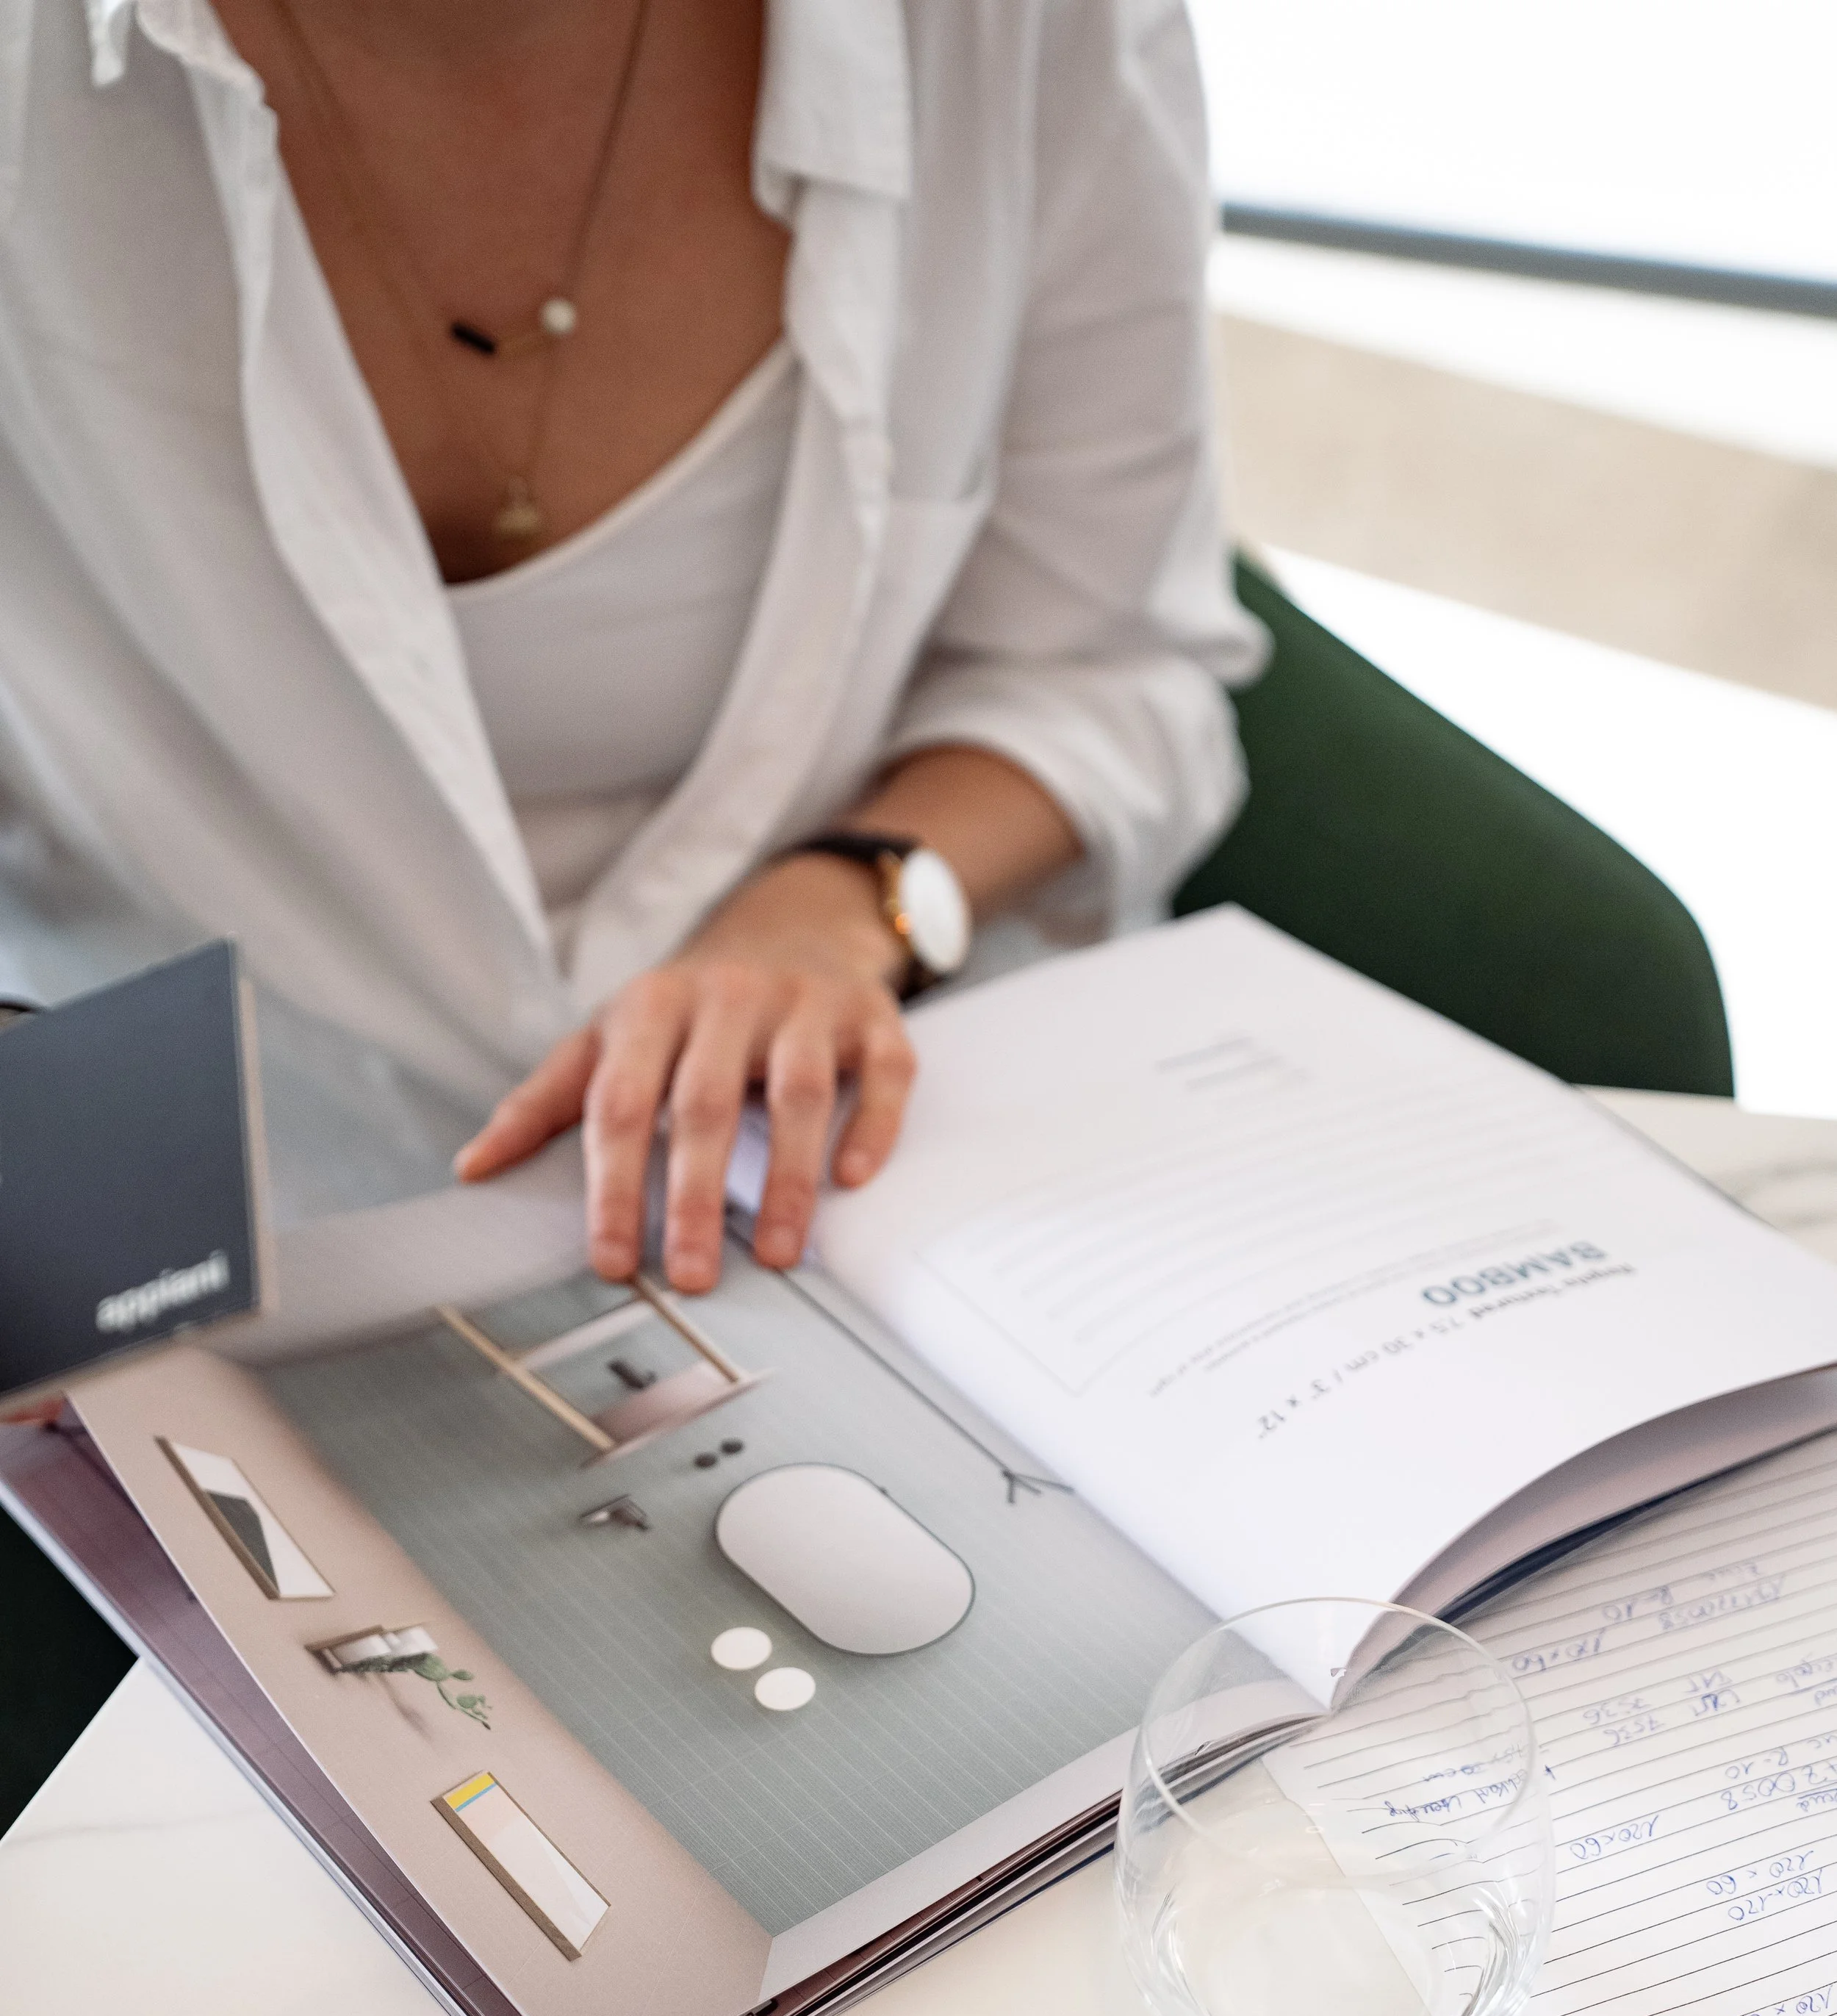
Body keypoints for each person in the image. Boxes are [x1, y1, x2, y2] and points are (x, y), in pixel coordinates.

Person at [0, 0, 1262, 1286]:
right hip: (191, 1225)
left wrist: (839, 910)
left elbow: (1115, 672)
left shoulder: (1022, 32)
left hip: (883, 1188)